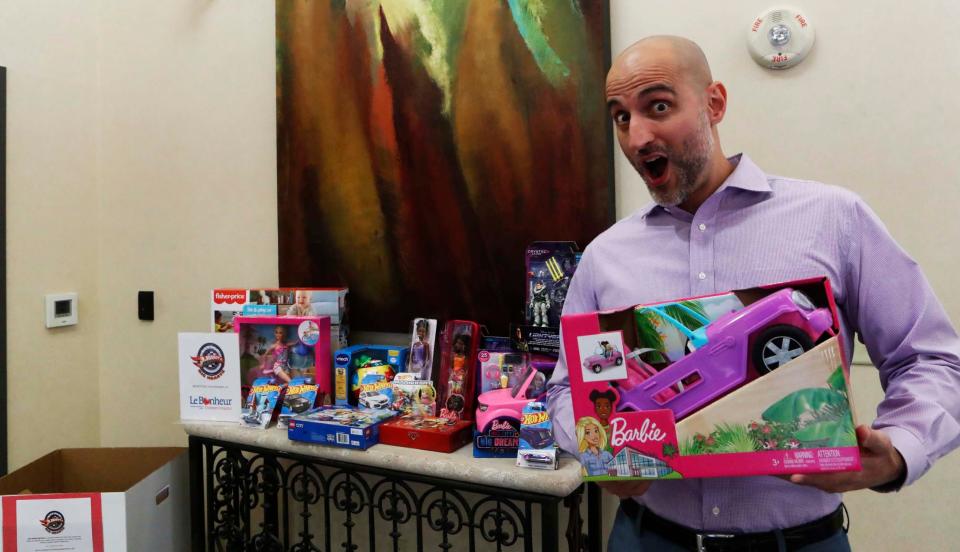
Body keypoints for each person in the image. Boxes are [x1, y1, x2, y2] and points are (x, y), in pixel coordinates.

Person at [545, 35, 960, 551]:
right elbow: (566, 389)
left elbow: (933, 359)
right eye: (621, 117)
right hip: (646, 538)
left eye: (658, 106)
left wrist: (898, 450)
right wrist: (595, 450)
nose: (637, 137)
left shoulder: (833, 218)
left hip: (800, 542)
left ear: (714, 103)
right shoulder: (606, 254)